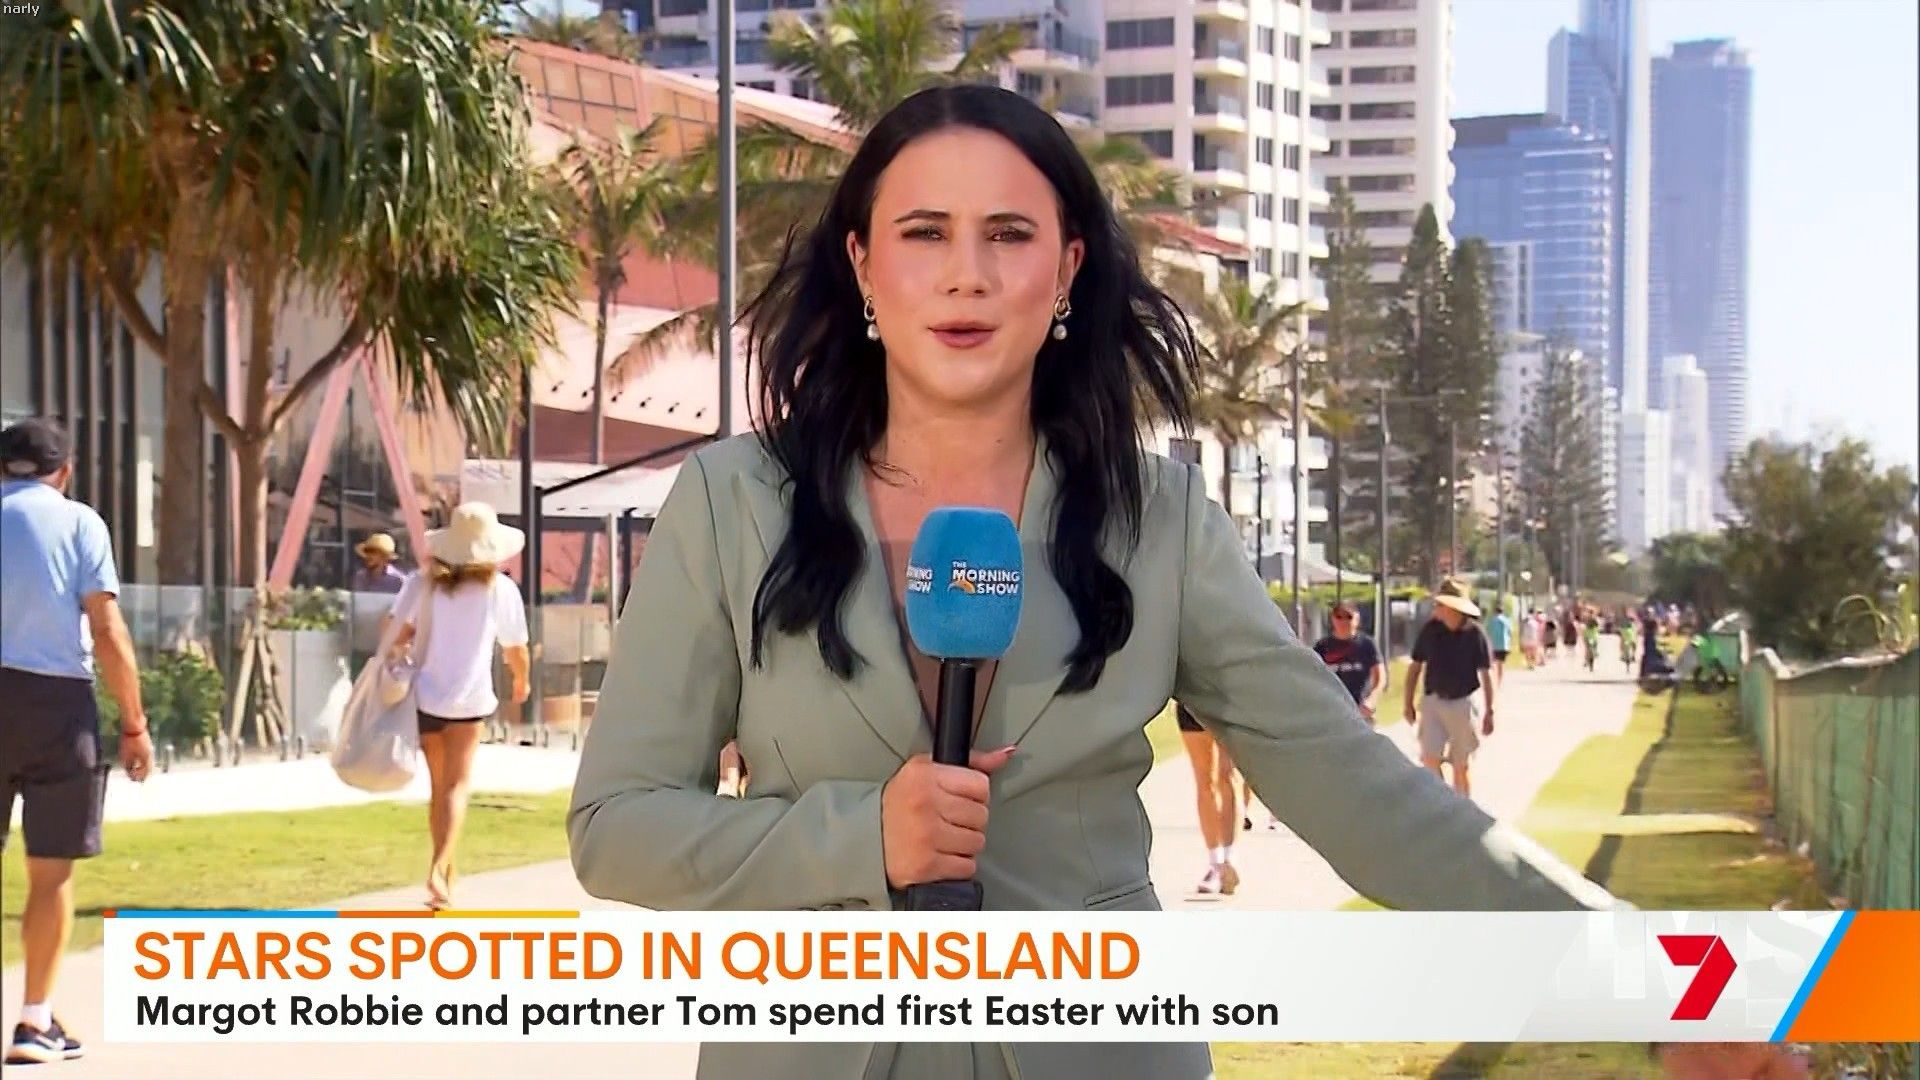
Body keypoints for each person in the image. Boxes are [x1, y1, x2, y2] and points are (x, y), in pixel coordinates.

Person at [565, 85, 1776, 1080]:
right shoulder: (733, 503)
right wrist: (856, 837)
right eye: (924, 233)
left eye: (1009, 235)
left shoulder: (1161, 522)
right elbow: (617, 828)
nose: (966, 274)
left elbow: (1359, 788)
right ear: (864, 266)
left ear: (1068, 269)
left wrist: (1645, 977)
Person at [1, 419, 153, 1064]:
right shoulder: (80, 522)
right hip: (55, 704)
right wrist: (134, 723)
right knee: (51, 869)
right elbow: (107, 628)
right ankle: (34, 1020)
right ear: (64, 471)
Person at [386, 502, 530, 910]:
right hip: (469, 699)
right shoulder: (499, 589)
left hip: (425, 696)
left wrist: (409, 643)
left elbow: (393, 631)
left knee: (439, 788)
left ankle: (446, 873)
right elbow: (515, 647)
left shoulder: (421, 583)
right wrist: (522, 680)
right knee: (457, 786)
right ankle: (439, 867)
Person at [1404, 581, 1495, 797]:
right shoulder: (1430, 630)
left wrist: (1490, 710)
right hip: (1433, 701)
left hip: (1463, 702)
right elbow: (1415, 667)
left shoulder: (1475, 634)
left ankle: (1462, 807)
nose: (1436, 609)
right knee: (1429, 759)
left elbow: (1486, 673)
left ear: (1454, 608)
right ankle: (1442, 803)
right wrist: (1408, 703)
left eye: (1441, 605)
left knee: (1461, 764)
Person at [1176, 702, 1240, 894]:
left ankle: (1229, 859)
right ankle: (1216, 865)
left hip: (1228, 704)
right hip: (1192, 704)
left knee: (1227, 775)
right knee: (1204, 781)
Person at [1311, 602, 1386, 721]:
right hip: (1331, 712)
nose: (1343, 621)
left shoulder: (1367, 644)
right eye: (1339, 617)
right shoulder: (1322, 647)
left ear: (1357, 619)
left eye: (1349, 617)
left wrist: (1371, 700)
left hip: (1360, 711)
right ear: (1332, 619)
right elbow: (1313, 678)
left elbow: (1380, 678)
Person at [1484, 602, 1516, 685]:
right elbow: (1510, 631)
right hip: (1503, 645)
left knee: (1493, 663)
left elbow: (1487, 632)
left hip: (1493, 645)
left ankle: (1494, 679)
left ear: (1495, 612)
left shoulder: (1491, 621)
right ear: (1502, 612)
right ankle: (1499, 681)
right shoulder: (1506, 620)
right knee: (1501, 663)